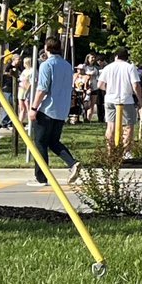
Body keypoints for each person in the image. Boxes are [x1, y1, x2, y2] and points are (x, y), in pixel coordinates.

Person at [28, 37, 81, 184]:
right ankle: (72, 163)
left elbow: (42, 89)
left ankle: (41, 176)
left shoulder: (47, 65)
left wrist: (33, 108)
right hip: (61, 109)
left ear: (46, 47)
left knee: (40, 143)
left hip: (47, 108)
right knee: (53, 141)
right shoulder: (67, 65)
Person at [98, 48, 142, 151]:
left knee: (110, 126)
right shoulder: (130, 67)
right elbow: (135, 85)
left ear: (116, 56)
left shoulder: (108, 67)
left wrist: (109, 89)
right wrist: (140, 99)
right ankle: (126, 151)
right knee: (128, 126)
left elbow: (100, 84)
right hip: (126, 99)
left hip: (110, 99)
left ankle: (110, 150)